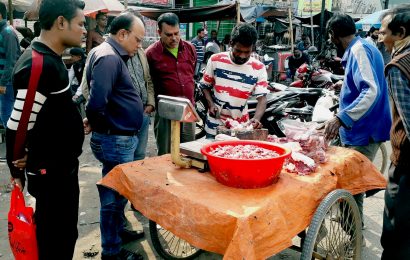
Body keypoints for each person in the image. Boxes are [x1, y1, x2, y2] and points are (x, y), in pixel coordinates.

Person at [6, 0, 86, 259]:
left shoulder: (50, 59)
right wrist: (16, 168)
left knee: (63, 235)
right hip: (51, 173)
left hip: (59, 167)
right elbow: (18, 124)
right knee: (56, 241)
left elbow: (42, 116)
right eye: (81, 24)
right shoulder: (38, 64)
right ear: (61, 22)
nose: (84, 30)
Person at [323, 13, 392, 232]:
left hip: (364, 130)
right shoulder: (362, 46)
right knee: (348, 179)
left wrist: (341, 118)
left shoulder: (358, 49)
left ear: (334, 35)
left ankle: (354, 234)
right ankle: (350, 220)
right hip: (363, 128)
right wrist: (343, 85)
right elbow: (364, 80)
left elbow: (371, 90)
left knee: (352, 184)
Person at [86, 12, 145, 260]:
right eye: (138, 39)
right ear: (122, 34)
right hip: (116, 140)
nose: (139, 45)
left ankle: (118, 232)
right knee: (113, 199)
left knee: (118, 196)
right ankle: (111, 250)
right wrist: (107, 129)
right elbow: (95, 104)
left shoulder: (109, 54)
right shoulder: (109, 57)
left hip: (117, 138)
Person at [378, 5, 410, 259]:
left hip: (406, 167)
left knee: (395, 233)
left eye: (383, 32)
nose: (379, 37)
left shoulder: (398, 66)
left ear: (400, 33)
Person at [200, 23, 269, 138]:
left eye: (247, 52)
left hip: (241, 128)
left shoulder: (259, 68)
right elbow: (205, 86)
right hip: (214, 126)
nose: (242, 56)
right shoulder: (215, 60)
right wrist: (211, 104)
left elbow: (262, 99)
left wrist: (256, 119)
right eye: (238, 51)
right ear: (231, 43)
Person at [145, 13, 196, 155]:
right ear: (159, 32)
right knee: (166, 154)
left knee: (188, 152)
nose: (174, 38)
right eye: (168, 35)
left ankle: (185, 178)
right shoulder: (150, 54)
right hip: (165, 112)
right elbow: (148, 82)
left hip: (188, 109)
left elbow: (192, 74)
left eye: (176, 33)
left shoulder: (190, 48)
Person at [125, 10, 155, 160]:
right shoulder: (108, 54)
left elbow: (147, 80)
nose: (139, 43)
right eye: (137, 37)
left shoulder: (141, 52)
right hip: (123, 119)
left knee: (139, 156)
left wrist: (150, 104)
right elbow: (88, 87)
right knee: (123, 160)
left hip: (143, 113)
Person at [0, 2, 20, 128]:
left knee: (7, 116)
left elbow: (11, 61)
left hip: (7, 82)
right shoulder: (2, 31)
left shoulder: (7, 32)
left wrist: (2, 83)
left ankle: (14, 145)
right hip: (3, 81)